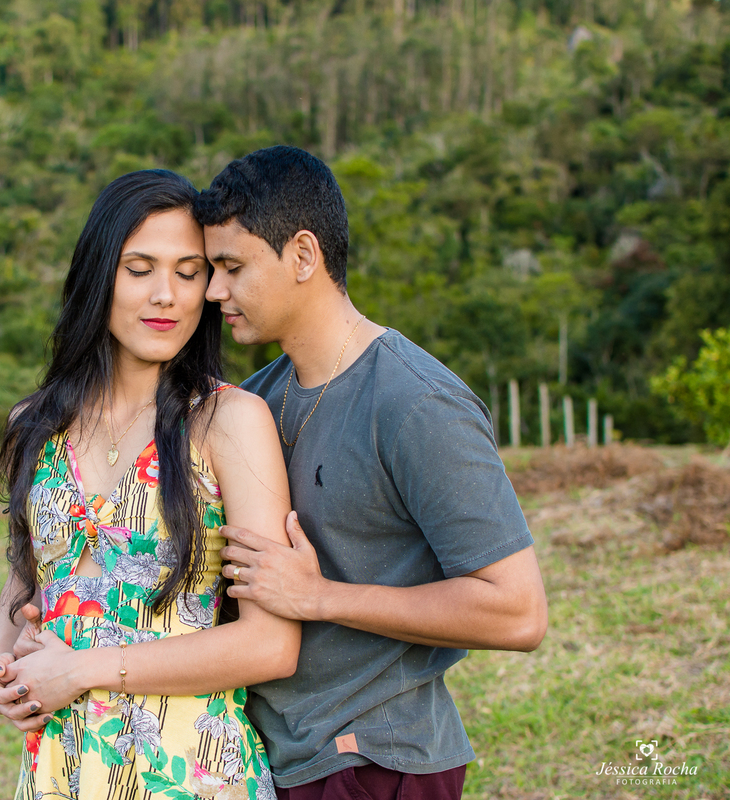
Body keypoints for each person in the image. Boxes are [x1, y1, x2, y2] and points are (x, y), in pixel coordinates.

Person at [192, 145, 549, 800]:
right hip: (274, 758)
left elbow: (518, 611)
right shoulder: (257, 401)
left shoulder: (415, 402)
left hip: (375, 762)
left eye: (232, 267)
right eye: (212, 269)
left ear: (304, 256)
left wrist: (322, 596)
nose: (215, 292)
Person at [0, 169, 301, 799]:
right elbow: (28, 579)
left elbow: (272, 645)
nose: (167, 295)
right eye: (139, 269)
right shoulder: (36, 423)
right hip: (61, 770)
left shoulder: (229, 422)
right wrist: (1, 669)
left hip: (191, 771)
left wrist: (79, 670)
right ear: (98, 275)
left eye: (188, 272)